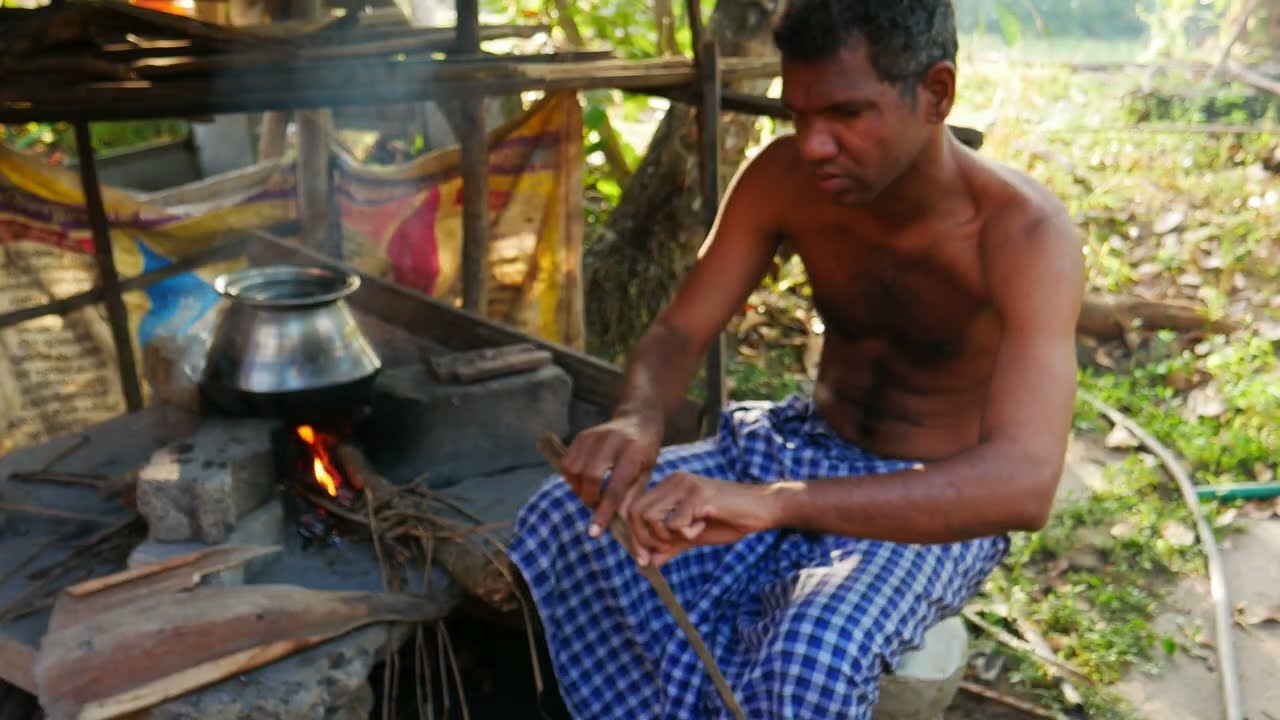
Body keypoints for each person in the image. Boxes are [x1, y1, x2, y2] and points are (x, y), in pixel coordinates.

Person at [509, 0, 1085, 717]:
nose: (813, 145)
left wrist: (772, 507)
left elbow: (1023, 485)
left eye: (846, 114)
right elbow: (680, 332)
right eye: (799, 117)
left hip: (933, 494)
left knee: (810, 654)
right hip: (795, 446)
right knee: (569, 522)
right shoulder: (785, 179)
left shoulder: (1026, 233)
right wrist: (636, 418)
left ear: (936, 93)